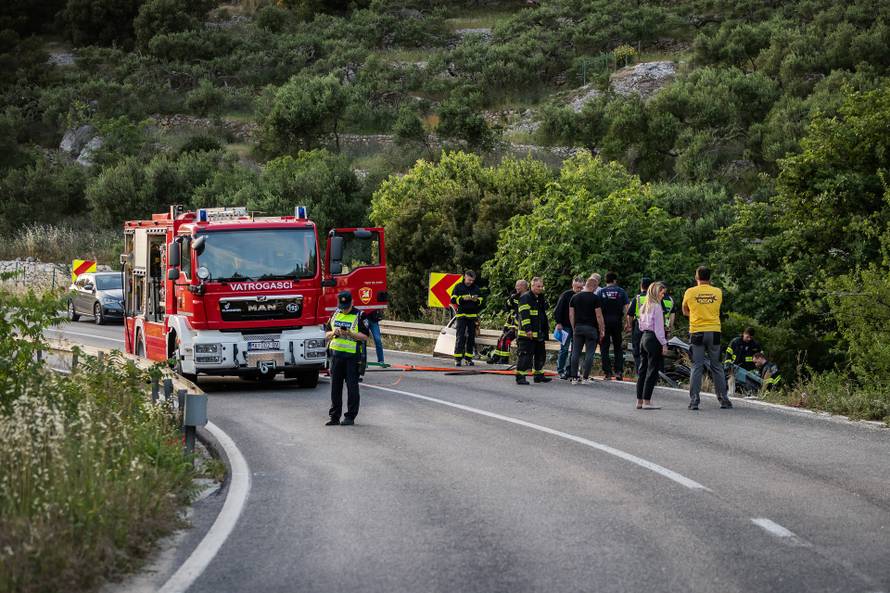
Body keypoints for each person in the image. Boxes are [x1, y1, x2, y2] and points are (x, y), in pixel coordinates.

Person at [682, 266, 731, 410]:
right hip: (714, 331)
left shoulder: (690, 292)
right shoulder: (717, 292)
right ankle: (724, 400)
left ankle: (695, 401)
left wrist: (695, 315)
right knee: (716, 366)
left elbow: (685, 310)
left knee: (697, 366)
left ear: (696, 277)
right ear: (710, 278)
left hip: (697, 331)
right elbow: (717, 308)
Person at [325, 290, 370, 426]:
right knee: (335, 388)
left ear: (352, 303)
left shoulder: (360, 315)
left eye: (347, 307)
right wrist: (334, 332)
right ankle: (334, 417)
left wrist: (350, 333)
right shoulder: (335, 314)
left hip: (352, 357)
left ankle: (350, 417)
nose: (344, 310)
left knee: (352, 387)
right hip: (336, 357)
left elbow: (365, 336)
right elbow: (326, 334)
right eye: (342, 307)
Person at [636, 282, 668, 410]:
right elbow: (659, 329)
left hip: (644, 337)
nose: (663, 295)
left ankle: (639, 400)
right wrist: (664, 344)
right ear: (656, 292)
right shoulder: (657, 307)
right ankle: (647, 401)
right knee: (652, 370)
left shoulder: (644, 306)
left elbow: (640, 325)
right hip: (654, 338)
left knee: (642, 369)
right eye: (662, 292)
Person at [568, 275, 605, 385]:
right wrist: (602, 329)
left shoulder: (575, 297)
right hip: (591, 329)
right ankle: (585, 377)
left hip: (578, 327)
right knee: (589, 353)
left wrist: (573, 327)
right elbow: (599, 316)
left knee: (575, 352)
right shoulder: (595, 298)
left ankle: (574, 377)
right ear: (594, 287)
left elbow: (571, 314)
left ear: (585, 285)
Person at [516, 277, 551, 385]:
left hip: (539, 333)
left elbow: (542, 313)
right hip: (527, 334)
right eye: (538, 286)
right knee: (525, 356)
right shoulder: (525, 297)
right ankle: (520, 377)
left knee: (541, 355)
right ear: (532, 286)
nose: (540, 288)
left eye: (541, 286)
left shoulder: (540, 297)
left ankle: (539, 375)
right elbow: (524, 315)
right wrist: (528, 329)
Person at [598, 272, 630, 380]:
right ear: (615, 281)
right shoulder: (621, 291)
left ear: (606, 280)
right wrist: (627, 322)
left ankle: (607, 373)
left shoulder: (601, 292)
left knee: (604, 348)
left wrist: (598, 324)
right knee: (618, 348)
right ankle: (618, 372)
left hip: (604, 323)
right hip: (617, 322)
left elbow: (597, 310)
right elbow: (626, 308)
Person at [450, 270, 483, 367]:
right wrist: (462, 299)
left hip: (472, 316)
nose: (471, 282)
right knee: (460, 337)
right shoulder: (458, 287)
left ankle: (468, 359)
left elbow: (481, 301)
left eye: (472, 280)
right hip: (462, 316)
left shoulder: (476, 288)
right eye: (469, 280)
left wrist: (476, 300)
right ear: (465, 277)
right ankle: (458, 359)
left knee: (471, 338)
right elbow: (452, 299)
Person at [490, 279, 528, 364]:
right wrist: (511, 299)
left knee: (506, 338)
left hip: (521, 326)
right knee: (501, 338)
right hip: (512, 323)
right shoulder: (514, 295)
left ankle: (504, 359)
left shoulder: (527, 297)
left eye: (518, 286)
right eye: (516, 285)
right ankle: (496, 357)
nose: (516, 287)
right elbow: (508, 308)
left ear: (524, 287)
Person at [554, 276, 584, 379]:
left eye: (580, 288)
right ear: (573, 285)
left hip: (577, 326)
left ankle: (571, 370)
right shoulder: (566, 295)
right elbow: (558, 310)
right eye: (577, 288)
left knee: (575, 350)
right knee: (564, 349)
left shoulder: (583, 296)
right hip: (565, 326)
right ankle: (560, 370)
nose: (579, 290)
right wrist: (558, 323)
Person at [627, 277, 653, 374]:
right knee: (649, 350)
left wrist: (629, 326)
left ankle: (640, 371)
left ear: (641, 286)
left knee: (637, 349)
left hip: (638, 325)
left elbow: (629, 314)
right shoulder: (654, 298)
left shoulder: (637, 298)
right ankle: (649, 372)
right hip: (651, 326)